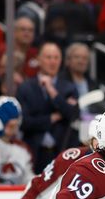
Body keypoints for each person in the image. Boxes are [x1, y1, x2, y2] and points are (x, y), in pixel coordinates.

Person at [16, 42, 80, 173]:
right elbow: (24, 122)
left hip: (62, 151)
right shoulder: (26, 87)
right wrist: (52, 118)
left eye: (56, 58)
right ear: (38, 59)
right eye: (48, 57)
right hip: (34, 153)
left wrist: (52, 91)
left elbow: (73, 115)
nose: (53, 62)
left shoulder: (69, 87)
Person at [0, 97, 34, 185]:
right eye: (10, 126)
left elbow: (28, 178)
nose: (14, 129)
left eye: (15, 125)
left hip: (15, 195)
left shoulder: (23, 149)